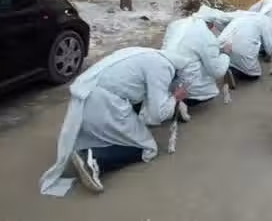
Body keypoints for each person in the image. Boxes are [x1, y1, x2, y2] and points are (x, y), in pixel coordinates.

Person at [39, 47, 188, 196]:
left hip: (85, 95)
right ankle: (94, 158)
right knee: (148, 148)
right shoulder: (163, 68)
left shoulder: (145, 53)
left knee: (121, 131)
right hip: (102, 102)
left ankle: (87, 151)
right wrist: (175, 98)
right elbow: (157, 115)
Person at [161, 14, 231, 109]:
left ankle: (173, 99)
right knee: (207, 67)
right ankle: (185, 101)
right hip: (191, 91)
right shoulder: (207, 36)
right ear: (211, 25)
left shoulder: (175, 25)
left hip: (166, 82)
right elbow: (217, 72)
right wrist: (225, 55)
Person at [217, 11, 272, 80]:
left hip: (224, 52)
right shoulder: (267, 22)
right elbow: (271, 49)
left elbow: (219, 21)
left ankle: (231, 68)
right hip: (246, 61)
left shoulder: (242, 15)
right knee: (254, 74)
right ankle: (240, 71)